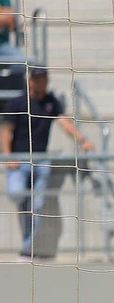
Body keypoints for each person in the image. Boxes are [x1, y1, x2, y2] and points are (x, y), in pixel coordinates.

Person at [3, 69, 92, 258]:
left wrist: (82, 140)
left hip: (40, 160)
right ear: (30, 81)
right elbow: (6, 131)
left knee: (38, 207)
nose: (41, 83)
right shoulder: (17, 102)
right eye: (37, 80)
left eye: (44, 80)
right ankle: (26, 199)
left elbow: (64, 123)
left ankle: (26, 251)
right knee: (17, 194)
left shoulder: (50, 102)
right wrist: (8, 155)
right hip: (19, 160)